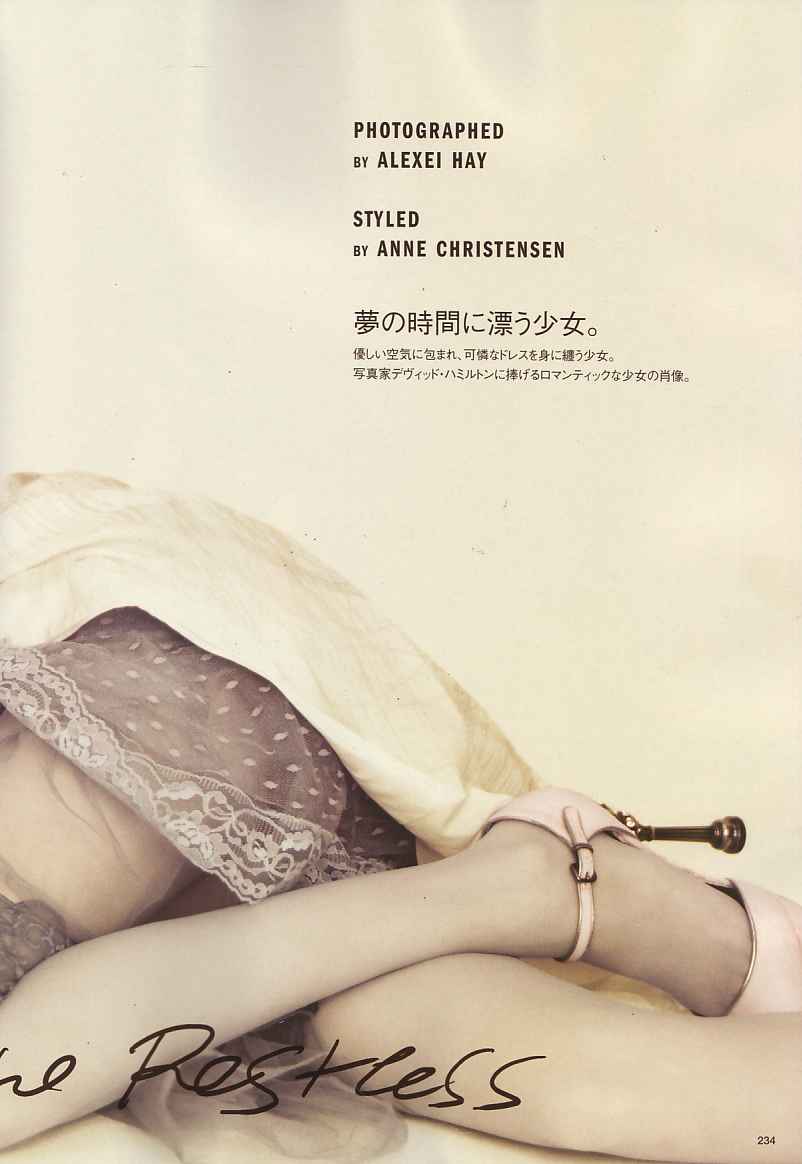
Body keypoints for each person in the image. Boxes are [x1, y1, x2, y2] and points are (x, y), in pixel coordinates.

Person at [0, 478, 799, 1164]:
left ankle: (528, 887)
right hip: (235, 952)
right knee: (380, 1027)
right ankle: (526, 887)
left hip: (148, 717)